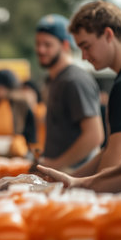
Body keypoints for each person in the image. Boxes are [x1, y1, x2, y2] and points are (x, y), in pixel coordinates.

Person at [38, 0, 121, 192]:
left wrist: (71, 184)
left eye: (87, 46)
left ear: (108, 34)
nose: (84, 56)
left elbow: (111, 168)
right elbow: (109, 150)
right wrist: (70, 180)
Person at [35, 14, 104, 171]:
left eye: (47, 44)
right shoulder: (53, 80)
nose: (40, 49)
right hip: (61, 172)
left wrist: (56, 165)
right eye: (38, 43)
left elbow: (94, 136)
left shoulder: (74, 80)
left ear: (65, 45)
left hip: (76, 174)